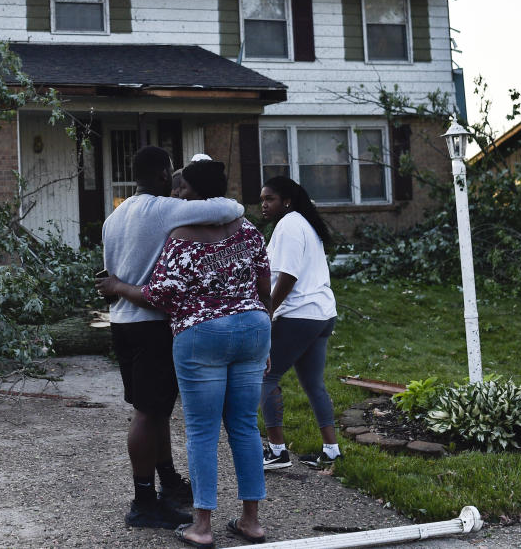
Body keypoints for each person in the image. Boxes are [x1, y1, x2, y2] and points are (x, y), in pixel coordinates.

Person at [98, 160, 272, 548]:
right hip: (253, 329)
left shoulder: (183, 235)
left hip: (203, 334)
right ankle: (251, 522)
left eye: (182, 190)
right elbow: (264, 282)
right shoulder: (249, 230)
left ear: (194, 192)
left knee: (202, 431)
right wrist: (267, 336)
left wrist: (117, 286)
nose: (177, 195)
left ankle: (202, 527)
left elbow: (161, 294)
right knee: (244, 427)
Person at [259, 175, 342, 470]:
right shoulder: (303, 223)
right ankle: (331, 450)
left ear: (287, 201)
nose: (264, 205)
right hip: (321, 314)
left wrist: (267, 310)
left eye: (270, 199)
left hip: (299, 315)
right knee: (313, 383)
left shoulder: (290, 225)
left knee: (265, 377)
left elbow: (288, 277)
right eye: (262, 199)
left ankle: (277, 452)